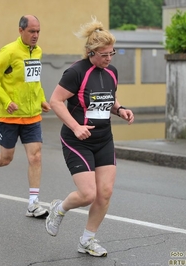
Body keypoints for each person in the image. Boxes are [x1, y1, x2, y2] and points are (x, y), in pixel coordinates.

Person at [45, 17, 134, 257]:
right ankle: (59, 209)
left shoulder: (111, 71)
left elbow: (108, 98)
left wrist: (120, 109)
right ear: (90, 52)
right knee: (87, 194)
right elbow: (55, 101)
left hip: (104, 138)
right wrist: (75, 127)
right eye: (104, 54)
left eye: (111, 53)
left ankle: (87, 240)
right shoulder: (76, 72)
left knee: (104, 193)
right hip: (77, 140)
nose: (109, 58)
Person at [0, 15, 51, 218]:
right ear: (21, 31)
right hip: (10, 116)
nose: (35, 35)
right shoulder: (9, 51)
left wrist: (41, 99)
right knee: (6, 159)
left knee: (36, 157)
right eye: (32, 31)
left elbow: (34, 80)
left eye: (38, 31)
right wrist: (7, 102)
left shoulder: (38, 52)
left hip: (32, 116)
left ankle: (33, 204)